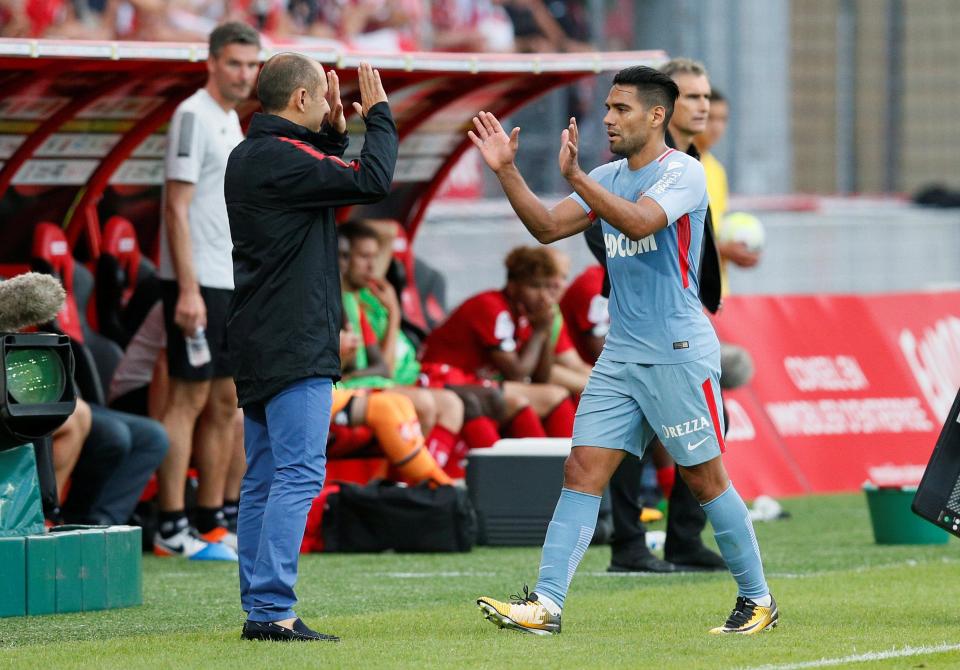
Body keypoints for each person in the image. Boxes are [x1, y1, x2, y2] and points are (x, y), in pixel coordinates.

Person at [471, 65, 776, 635]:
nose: (608, 119)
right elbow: (544, 227)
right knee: (582, 469)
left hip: (679, 351)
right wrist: (508, 171)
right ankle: (546, 604)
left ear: (657, 115)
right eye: (607, 109)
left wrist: (580, 179)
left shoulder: (683, 173)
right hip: (622, 355)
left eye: (621, 110)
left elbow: (638, 224)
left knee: (705, 480)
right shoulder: (609, 174)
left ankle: (758, 600)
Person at [225, 55, 397, 642]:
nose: (331, 105)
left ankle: (259, 607)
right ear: (299, 100)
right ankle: (274, 609)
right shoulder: (281, 159)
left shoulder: (248, 154)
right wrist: (380, 119)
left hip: (257, 335)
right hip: (294, 338)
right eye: (321, 100)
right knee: (298, 473)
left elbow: (318, 172)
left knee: (264, 477)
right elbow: (368, 181)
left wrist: (331, 136)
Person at [155, 22, 261, 560]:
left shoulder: (229, 122)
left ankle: (210, 520)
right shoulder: (192, 115)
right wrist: (188, 289)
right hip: (197, 282)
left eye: (252, 64)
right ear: (212, 62)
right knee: (189, 397)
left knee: (225, 401)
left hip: (229, 279)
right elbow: (176, 206)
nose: (244, 74)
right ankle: (170, 524)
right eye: (236, 63)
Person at [419, 246, 577, 440]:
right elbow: (517, 375)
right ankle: (546, 466)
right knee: (536, 399)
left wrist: (544, 331)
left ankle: (561, 462)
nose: (544, 296)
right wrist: (540, 331)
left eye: (548, 287)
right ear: (512, 286)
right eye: (535, 286)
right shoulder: (490, 306)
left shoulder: (526, 315)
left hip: (472, 382)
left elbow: (540, 378)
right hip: (440, 378)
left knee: (554, 394)